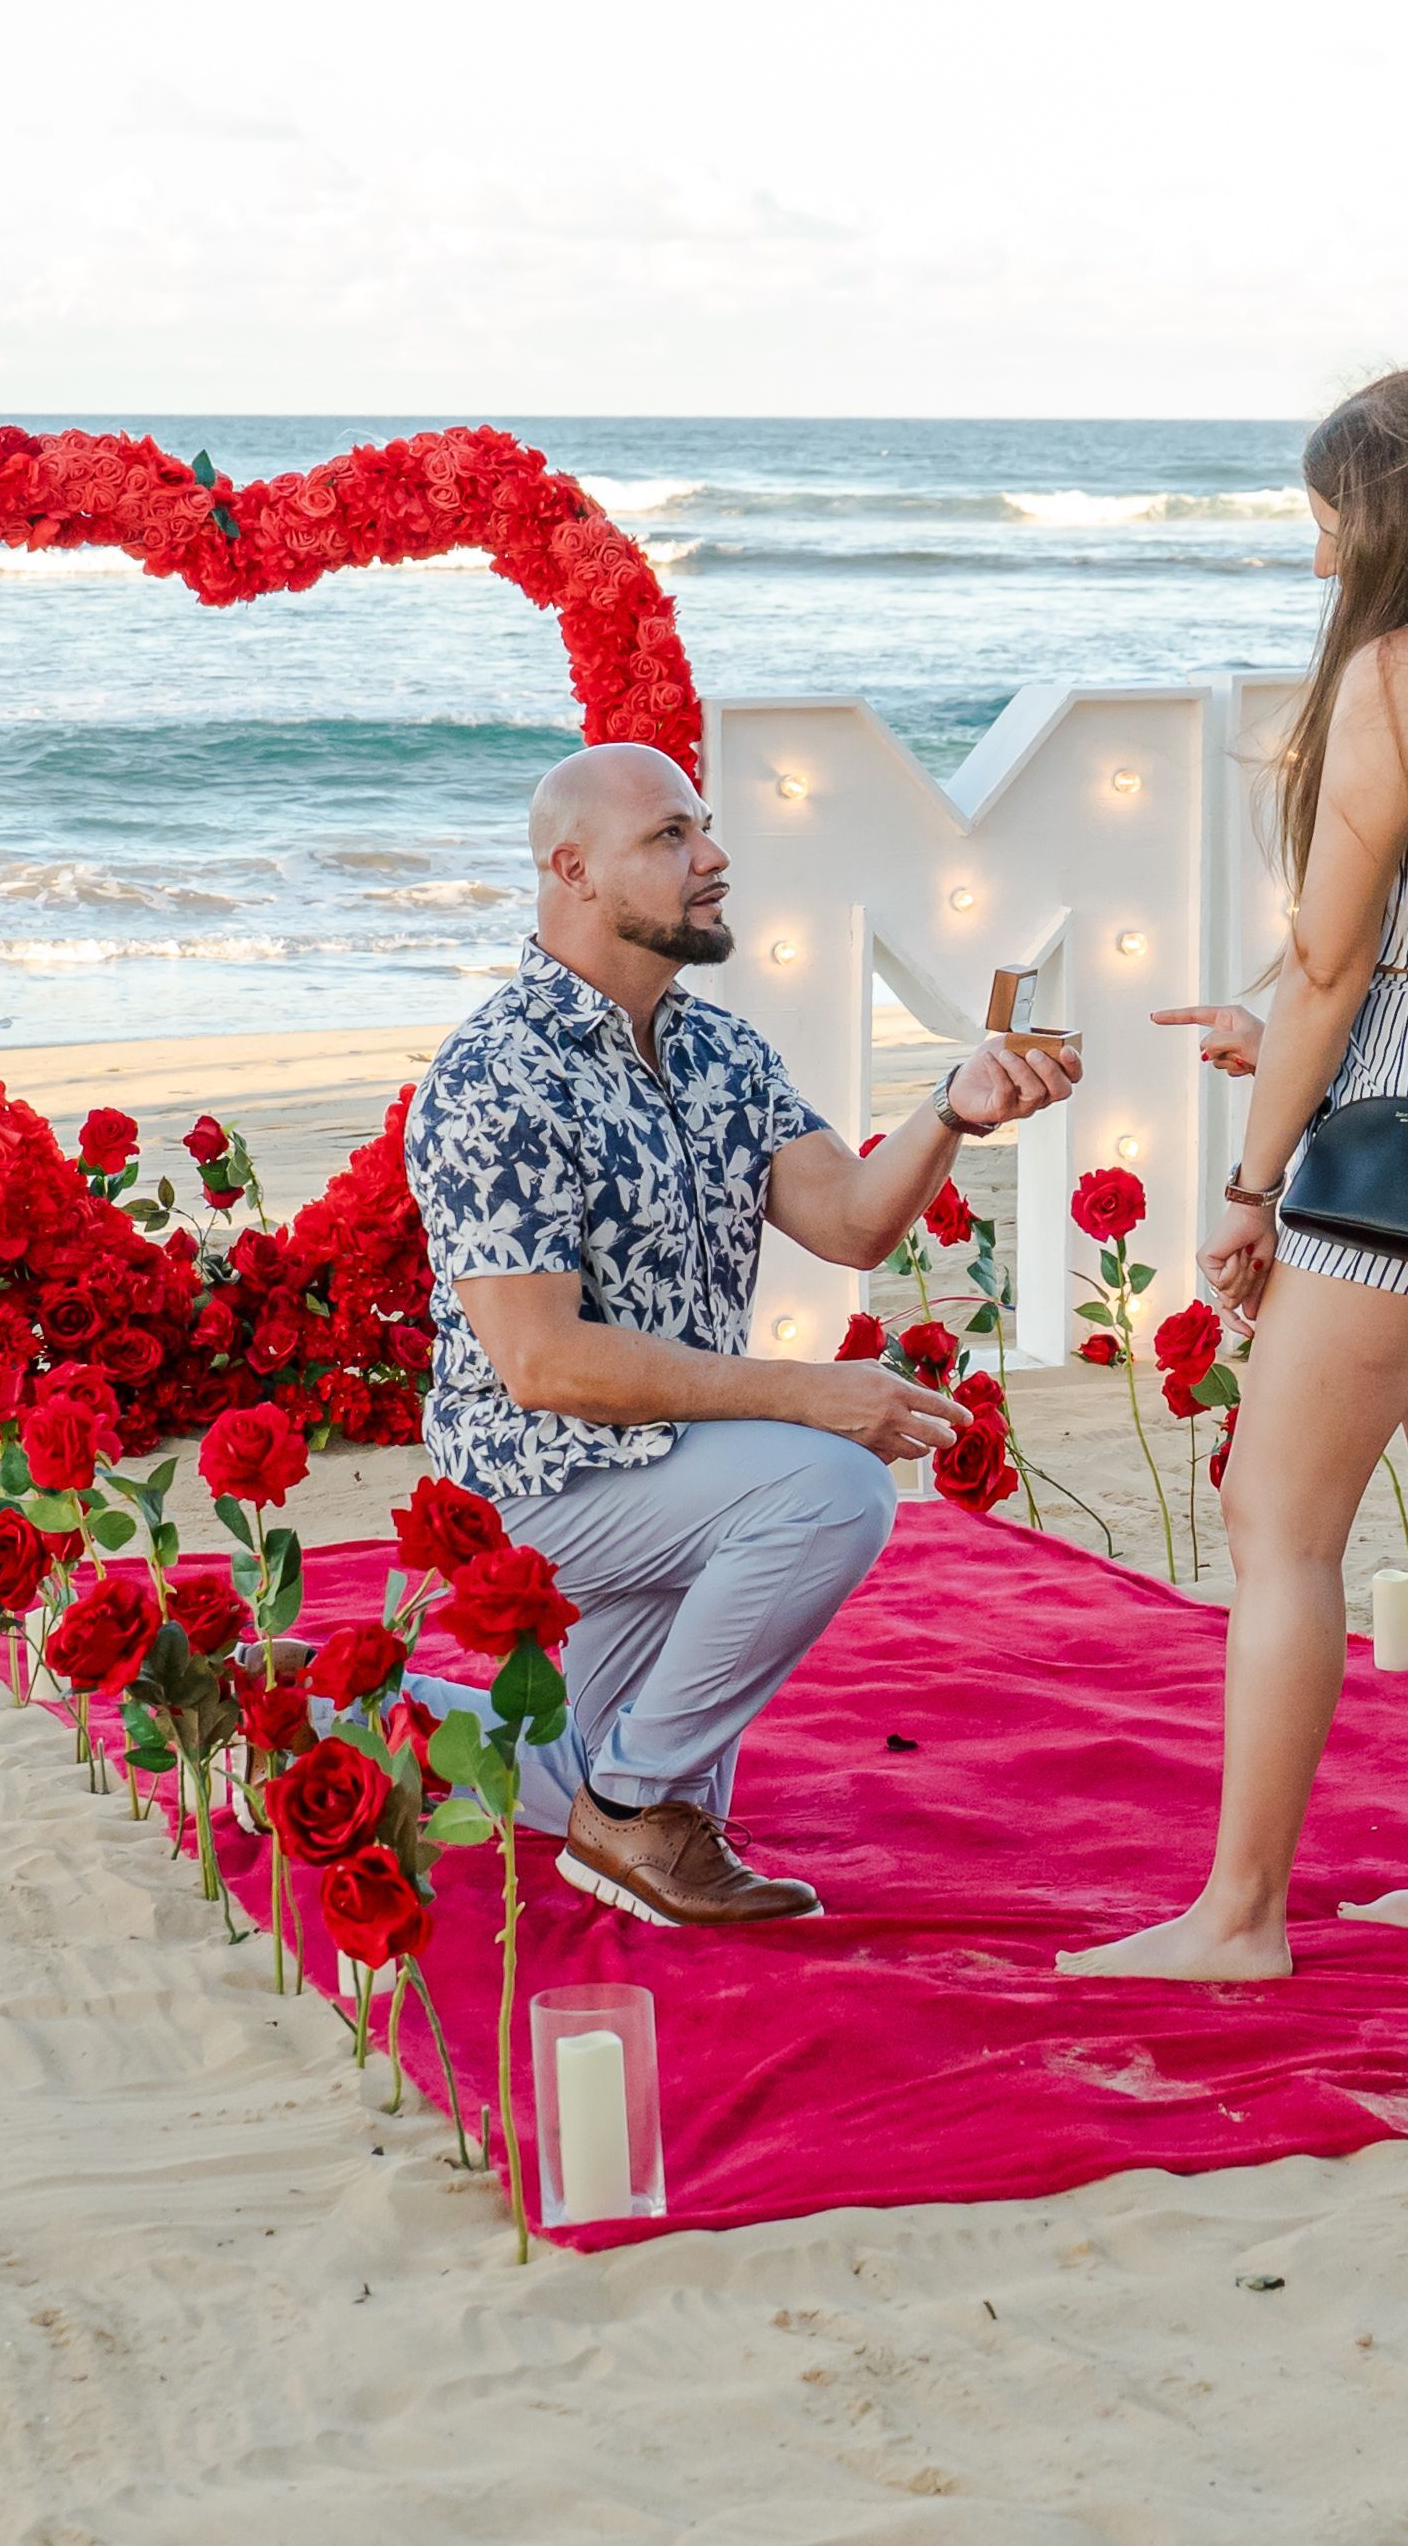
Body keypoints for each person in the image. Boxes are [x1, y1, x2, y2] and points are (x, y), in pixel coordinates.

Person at [1058, 366, 1408, 1983]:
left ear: (1387, 512)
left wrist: (1248, 1183)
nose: (1314, 552)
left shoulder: (1393, 676)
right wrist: (1289, 1017)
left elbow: (1331, 961)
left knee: (1273, 1519)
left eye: (1326, 515)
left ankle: (1235, 1917)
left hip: (1406, 1141)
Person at [403, 741, 1080, 1928]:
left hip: (676, 1465)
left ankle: (331, 1714)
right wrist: (803, 1396)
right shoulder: (493, 1075)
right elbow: (542, 1362)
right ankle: (635, 1820)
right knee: (829, 1486)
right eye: (669, 837)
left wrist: (950, 1110)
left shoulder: (716, 1048)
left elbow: (853, 1224)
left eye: (703, 828)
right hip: (539, 1485)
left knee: (588, 1761)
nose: (712, 858)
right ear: (570, 869)